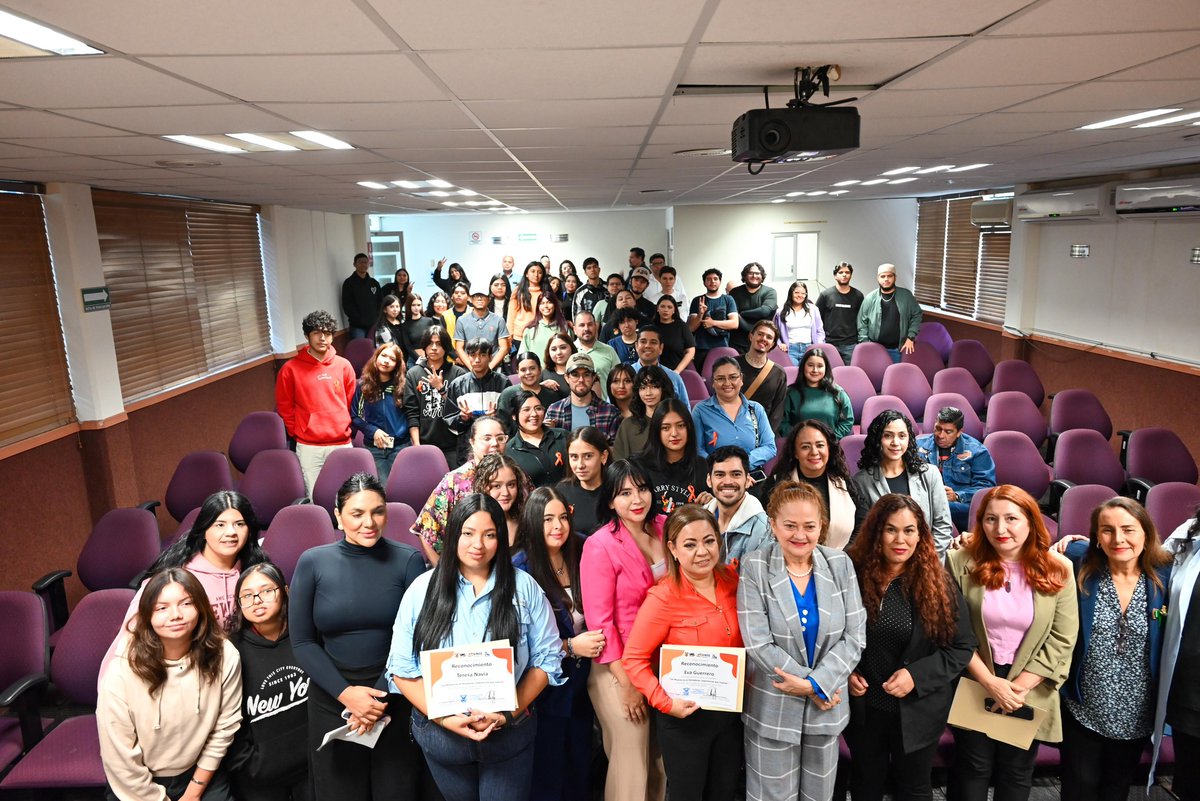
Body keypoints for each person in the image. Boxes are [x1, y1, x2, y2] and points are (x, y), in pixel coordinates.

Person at [388, 493, 563, 801]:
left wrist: (507, 713)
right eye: (468, 533)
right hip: (443, 736)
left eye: (489, 534)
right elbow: (401, 670)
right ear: (453, 533)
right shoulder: (421, 590)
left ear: (501, 537)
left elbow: (547, 661)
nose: (477, 545)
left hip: (508, 733)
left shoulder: (525, 588)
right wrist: (443, 718)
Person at [290, 473, 427, 801]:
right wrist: (347, 695)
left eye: (378, 511)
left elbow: (419, 638)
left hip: (393, 697)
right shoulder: (312, 562)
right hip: (332, 700)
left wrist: (376, 700)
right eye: (357, 513)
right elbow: (302, 642)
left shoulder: (408, 560)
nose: (369, 522)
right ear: (338, 515)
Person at [945, 485, 1078, 801]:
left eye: (1011, 519)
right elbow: (951, 630)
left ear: (1031, 521)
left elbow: (1062, 638)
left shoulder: (1059, 568)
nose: (1000, 529)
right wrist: (991, 683)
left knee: (1016, 770)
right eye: (990, 519)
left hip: (1028, 684)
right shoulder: (960, 561)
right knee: (973, 768)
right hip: (976, 676)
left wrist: (1016, 687)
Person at [738, 480, 866, 801]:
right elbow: (758, 643)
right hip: (772, 708)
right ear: (773, 524)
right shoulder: (755, 566)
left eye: (809, 526)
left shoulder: (840, 563)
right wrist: (815, 686)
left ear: (821, 525)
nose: (800, 535)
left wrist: (814, 686)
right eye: (790, 525)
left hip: (827, 708)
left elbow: (855, 635)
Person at [845, 494, 977, 801]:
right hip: (866, 708)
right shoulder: (852, 572)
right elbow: (834, 635)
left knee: (913, 788)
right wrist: (847, 671)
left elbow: (962, 646)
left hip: (919, 710)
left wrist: (916, 676)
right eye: (890, 529)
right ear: (876, 531)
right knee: (866, 784)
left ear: (921, 534)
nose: (899, 539)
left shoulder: (937, 581)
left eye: (909, 530)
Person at [622, 505, 744, 801]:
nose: (702, 551)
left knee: (725, 791)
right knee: (687, 794)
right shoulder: (663, 597)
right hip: (685, 719)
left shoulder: (733, 581)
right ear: (673, 550)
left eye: (709, 541)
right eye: (690, 545)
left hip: (730, 714)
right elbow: (634, 659)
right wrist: (665, 703)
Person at [1058, 498, 1170, 801]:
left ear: (1146, 533)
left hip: (1137, 711)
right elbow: (1029, 551)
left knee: (1116, 789)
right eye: (1107, 530)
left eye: (1128, 530)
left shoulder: (1166, 577)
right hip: (1083, 706)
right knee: (1077, 788)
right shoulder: (1080, 563)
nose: (1118, 539)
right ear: (1096, 536)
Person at [98, 569, 242, 801]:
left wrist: (194, 792)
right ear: (146, 615)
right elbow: (121, 759)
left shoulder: (225, 655)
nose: (175, 615)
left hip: (200, 772)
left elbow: (225, 727)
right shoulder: (121, 670)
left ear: (201, 607)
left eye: (186, 603)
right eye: (161, 608)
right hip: (138, 782)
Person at [102, 491, 270, 679]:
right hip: (185, 680)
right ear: (204, 529)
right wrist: (110, 693)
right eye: (220, 525)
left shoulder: (254, 573)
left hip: (243, 676)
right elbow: (129, 642)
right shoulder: (173, 579)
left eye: (239, 524)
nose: (231, 532)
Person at [580, 460, 668, 801]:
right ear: (611, 501)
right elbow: (600, 623)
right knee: (632, 759)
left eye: (642, 489)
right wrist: (628, 683)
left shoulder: (665, 526)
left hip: (665, 660)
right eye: (625, 492)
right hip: (618, 665)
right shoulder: (600, 545)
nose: (637, 499)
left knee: (662, 760)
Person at [512, 487, 604, 801]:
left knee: (581, 762)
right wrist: (569, 646)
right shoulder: (520, 568)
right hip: (545, 686)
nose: (558, 526)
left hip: (587, 679)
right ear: (532, 522)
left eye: (563, 517)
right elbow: (523, 642)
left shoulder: (584, 548)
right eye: (548, 518)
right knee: (548, 770)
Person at [228, 563, 310, 801]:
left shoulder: (307, 635)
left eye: (266, 591)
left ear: (284, 591)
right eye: (247, 595)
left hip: (313, 767)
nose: (257, 600)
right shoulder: (231, 650)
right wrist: (250, 765)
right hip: (261, 778)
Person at [275, 309, 356, 495]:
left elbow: (352, 402)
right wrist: (298, 431)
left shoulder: (344, 365)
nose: (322, 338)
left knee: (348, 497)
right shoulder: (290, 369)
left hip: (341, 442)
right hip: (309, 445)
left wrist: (345, 425)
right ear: (307, 335)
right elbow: (285, 406)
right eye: (316, 333)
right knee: (315, 496)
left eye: (327, 333)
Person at [853, 410, 953, 555]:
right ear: (877, 439)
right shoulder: (861, 482)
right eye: (888, 436)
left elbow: (942, 526)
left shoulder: (930, 474)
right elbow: (865, 535)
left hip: (928, 560)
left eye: (902, 436)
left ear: (909, 439)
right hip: (884, 562)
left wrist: (924, 560)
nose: (896, 443)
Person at [414, 414, 509, 564]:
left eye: (500, 438)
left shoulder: (516, 475)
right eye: (487, 438)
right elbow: (426, 531)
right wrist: (443, 575)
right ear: (472, 442)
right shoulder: (455, 481)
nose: (495, 443)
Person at [1153, 507, 1200, 798]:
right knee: (1191, 778)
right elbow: (1144, 563)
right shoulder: (1190, 532)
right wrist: (1086, 545)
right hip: (1190, 686)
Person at [765, 420, 867, 549]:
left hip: (841, 559)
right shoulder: (776, 483)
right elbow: (767, 530)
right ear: (795, 452)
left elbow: (862, 525)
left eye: (820, 445)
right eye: (805, 447)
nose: (814, 452)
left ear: (829, 448)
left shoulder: (845, 483)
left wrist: (841, 557)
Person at [915, 406, 997, 532]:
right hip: (925, 500)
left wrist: (957, 496)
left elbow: (986, 487)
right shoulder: (918, 446)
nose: (941, 435)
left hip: (959, 505)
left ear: (959, 432)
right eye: (938, 429)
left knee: (940, 508)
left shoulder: (977, 451)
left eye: (948, 432)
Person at [692, 356, 776, 472]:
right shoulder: (701, 410)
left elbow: (769, 446)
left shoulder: (756, 409)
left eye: (733, 377)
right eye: (720, 378)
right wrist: (722, 468)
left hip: (750, 476)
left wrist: (743, 464)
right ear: (712, 382)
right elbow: (697, 450)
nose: (727, 383)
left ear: (741, 379)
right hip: (715, 476)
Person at [403, 325, 466, 467]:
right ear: (424, 347)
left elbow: (461, 411)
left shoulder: (458, 373)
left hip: (453, 444)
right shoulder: (414, 373)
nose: (434, 348)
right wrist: (417, 445)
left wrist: (441, 388)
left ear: (446, 347)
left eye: (439, 344)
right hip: (425, 444)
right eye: (430, 343)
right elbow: (411, 412)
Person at [636, 398, 712, 513]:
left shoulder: (703, 466)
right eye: (665, 428)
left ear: (689, 428)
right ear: (656, 431)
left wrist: (711, 502)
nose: (674, 433)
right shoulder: (639, 467)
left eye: (681, 426)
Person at [352, 342, 411, 482]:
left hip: (400, 447)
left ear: (397, 364)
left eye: (392, 359)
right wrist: (373, 431)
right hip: (374, 448)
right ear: (376, 357)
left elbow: (413, 414)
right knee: (381, 492)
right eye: (383, 355)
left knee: (402, 488)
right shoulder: (363, 385)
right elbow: (355, 415)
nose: (386, 361)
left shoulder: (403, 386)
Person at [704, 445, 772, 565]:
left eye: (736, 474)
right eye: (720, 475)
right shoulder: (698, 519)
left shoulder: (763, 530)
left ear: (747, 480)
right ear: (709, 480)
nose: (728, 482)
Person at [444, 337, 509, 464]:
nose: (477, 360)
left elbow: (511, 419)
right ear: (468, 356)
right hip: (467, 450)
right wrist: (463, 419)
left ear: (490, 356)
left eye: (483, 355)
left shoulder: (503, 383)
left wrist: (496, 417)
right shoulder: (458, 385)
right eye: (473, 355)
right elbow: (449, 419)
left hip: (497, 448)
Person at [544, 352, 622, 444]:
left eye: (586, 374)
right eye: (575, 375)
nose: (581, 380)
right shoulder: (554, 411)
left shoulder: (610, 412)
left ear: (593, 377)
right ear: (566, 377)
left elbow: (615, 452)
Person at [781, 347, 854, 439]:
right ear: (803, 367)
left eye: (820, 366)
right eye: (810, 365)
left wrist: (831, 439)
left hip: (831, 445)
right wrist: (799, 439)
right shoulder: (791, 393)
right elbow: (783, 423)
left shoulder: (838, 393)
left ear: (826, 368)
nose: (815, 370)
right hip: (799, 446)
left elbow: (847, 421)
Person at [857, 263, 922, 363]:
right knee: (875, 378)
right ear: (878, 278)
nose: (886, 279)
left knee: (895, 377)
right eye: (883, 276)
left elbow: (917, 315)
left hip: (898, 350)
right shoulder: (870, 298)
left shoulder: (906, 296)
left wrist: (910, 337)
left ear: (895, 277)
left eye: (889, 276)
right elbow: (862, 323)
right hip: (875, 349)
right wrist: (866, 345)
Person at [506, 390, 570, 487]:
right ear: (514, 416)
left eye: (538, 408)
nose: (534, 414)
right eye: (526, 410)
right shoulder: (509, 451)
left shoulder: (562, 436)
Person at [556, 426, 611, 537]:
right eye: (574, 457)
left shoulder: (616, 490)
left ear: (603, 456)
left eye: (588, 456)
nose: (580, 465)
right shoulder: (562, 492)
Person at [612, 364, 674, 461]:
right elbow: (618, 464)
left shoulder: (675, 422)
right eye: (643, 387)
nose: (648, 393)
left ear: (663, 389)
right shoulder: (628, 425)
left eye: (654, 386)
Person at [737, 319, 789, 431]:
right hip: (733, 425)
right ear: (751, 336)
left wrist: (766, 437)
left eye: (769, 337)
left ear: (773, 344)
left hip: (762, 431)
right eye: (760, 334)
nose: (764, 339)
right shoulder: (732, 365)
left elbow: (777, 411)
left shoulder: (779, 373)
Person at [473, 452, 532, 548]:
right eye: (496, 486)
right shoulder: (471, 525)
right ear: (482, 487)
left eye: (511, 485)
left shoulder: (526, 523)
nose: (505, 493)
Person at [497, 351, 564, 434]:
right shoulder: (507, 395)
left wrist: (552, 428)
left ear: (540, 370)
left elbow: (560, 424)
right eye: (523, 370)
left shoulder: (552, 395)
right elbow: (502, 426)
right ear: (517, 372)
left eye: (532, 368)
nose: (528, 373)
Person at [688, 268, 739, 370]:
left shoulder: (728, 299)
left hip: (722, 347)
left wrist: (713, 323)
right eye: (709, 279)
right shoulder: (697, 300)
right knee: (703, 380)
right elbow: (691, 328)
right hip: (701, 349)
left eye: (715, 279)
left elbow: (734, 323)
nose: (712, 282)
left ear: (720, 281)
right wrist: (700, 314)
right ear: (704, 283)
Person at [815, 262, 864, 365]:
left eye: (847, 272)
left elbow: (862, 320)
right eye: (841, 272)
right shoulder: (825, 295)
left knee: (849, 375)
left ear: (851, 275)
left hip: (850, 345)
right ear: (835, 275)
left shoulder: (858, 296)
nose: (844, 275)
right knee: (828, 375)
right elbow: (817, 319)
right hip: (829, 343)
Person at [454, 286, 511, 369]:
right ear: (470, 298)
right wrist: (472, 368)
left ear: (489, 298)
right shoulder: (462, 320)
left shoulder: (498, 320)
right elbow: (459, 348)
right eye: (476, 296)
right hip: (469, 369)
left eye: (483, 296)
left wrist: (489, 368)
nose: (479, 298)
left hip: (493, 369)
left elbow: (504, 347)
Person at [632, 324, 689, 405]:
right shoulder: (626, 375)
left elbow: (685, 410)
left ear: (661, 348)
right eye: (643, 341)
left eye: (653, 342)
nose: (647, 346)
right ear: (636, 346)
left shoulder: (673, 377)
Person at [729, 262, 778, 353]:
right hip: (737, 343)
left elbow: (764, 311)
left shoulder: (770, 292)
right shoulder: (734, 293)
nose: (754, 276)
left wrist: (741, 314)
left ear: (762, 276)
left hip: (761, 342)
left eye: (757, 273)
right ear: (745, 275)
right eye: (750, 273)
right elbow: (733, 317)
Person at [773, 280, 825, 364]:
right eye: (796, 292)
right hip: (790, 349)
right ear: (791, 293)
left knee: (807, 374)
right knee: (792, 373)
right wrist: (780, 343)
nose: (800, 295)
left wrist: (818, 345)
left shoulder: (813, 309)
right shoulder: (781, 311)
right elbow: (774, 332)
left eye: (803, 293)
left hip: (809, 348)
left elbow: (820, 330)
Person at [572, 310, 619, 397]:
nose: (586, 328)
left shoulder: (609, 351)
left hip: (605, 408)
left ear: (595, 326)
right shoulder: (570, 351)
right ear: (574, 329)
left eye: (590, 324)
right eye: (582, 325)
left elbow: (619, 379)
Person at [508, 260, 549, 350]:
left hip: (539, 335)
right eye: (533, 271)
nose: (536, 275)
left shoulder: (546, 292)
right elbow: (511, 314)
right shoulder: (518, 290)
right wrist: (510, 334)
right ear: (526, 274)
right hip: (519, 335)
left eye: (540, 272)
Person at [651, 295, 696, 373]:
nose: (666, 310)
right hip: (655, 372)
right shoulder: (651, 327)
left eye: (669, 307)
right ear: (657, 309)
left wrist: (677, 371)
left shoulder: (681, 326)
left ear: (674, 310)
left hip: (677, 372)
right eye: (662, 306)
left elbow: (691, 351)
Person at [342, 252, 381, 340]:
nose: (363, 264)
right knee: (360, 350)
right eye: (360, 262)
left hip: (374, 325)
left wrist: (376, 318)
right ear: (354, 264)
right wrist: (359, 319)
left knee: (375, 350)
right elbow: (347, 305)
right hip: (357, 326)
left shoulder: (374, 283)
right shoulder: (349, 283)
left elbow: (380, 302)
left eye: (365, 262)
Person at [522, 292, 569, 362]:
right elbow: (523, 354)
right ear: (538, 307)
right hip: (536, 371)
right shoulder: (530, 329)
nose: (546, 306)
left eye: (549, 302)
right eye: (542, 303)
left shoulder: (564, 327)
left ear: (555, 305)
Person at [402, 294, 433, 366]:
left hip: (429, 357)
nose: (416, 308)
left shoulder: (429, 321)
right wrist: (418, 358)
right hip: (413, 360)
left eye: (419, 305)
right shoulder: (405, 325)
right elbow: (407, 346)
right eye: (413, 305)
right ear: (409, 306)